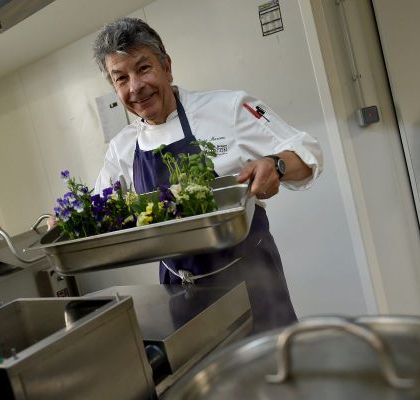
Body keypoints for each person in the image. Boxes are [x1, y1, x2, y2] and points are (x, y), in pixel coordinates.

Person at [92, 17, 323, 333]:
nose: (135, 87)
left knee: (272, 370)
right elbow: (96, 212)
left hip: (250, 279)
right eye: (121, 78)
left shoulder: (227, 108)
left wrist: (277, 165)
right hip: (180, 291)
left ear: (167, 67)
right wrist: (66, 222)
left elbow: (308, 152)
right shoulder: (122, 148)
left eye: (143, 69)